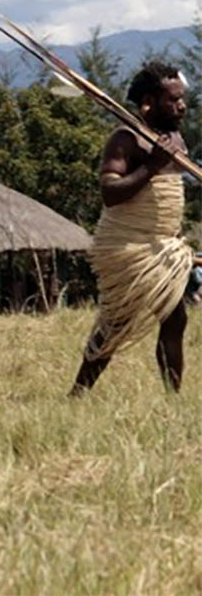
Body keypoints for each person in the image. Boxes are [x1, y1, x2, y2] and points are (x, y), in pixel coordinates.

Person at [70, 62, 193, 395]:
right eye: (173, 100)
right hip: (129, 246)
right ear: (149, 102)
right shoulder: (126, 140)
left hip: (163, 245)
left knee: (175, 318)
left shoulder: (176, 139)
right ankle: (79, 393)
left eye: (182, 99)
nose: (181, 105)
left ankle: (173, 398)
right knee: (115, 324)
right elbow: (110, 193)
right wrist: (152, 165)